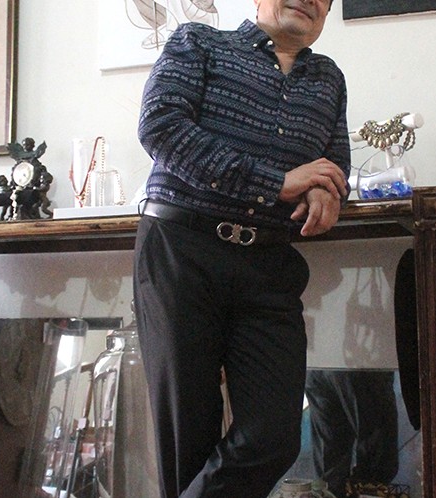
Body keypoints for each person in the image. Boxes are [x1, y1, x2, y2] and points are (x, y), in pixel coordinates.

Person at [134, 0, 348, 496]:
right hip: (181, 251)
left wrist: (325, 191)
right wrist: (276, 182)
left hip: (269, 265)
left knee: (275, 436)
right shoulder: (199, 42)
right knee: (187, 436)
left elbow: (334, 163)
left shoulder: (329, 79)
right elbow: (160, 126)